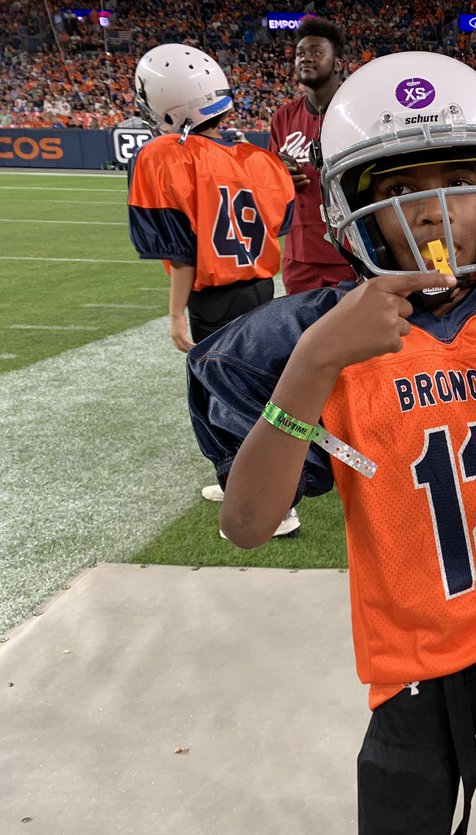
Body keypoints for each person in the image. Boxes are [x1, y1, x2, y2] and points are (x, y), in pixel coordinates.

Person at [186, 52, 476, 835]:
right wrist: (312, 363)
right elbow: (245, 522)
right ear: (354, 208)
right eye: (402, 188)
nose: (435, 212)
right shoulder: (317, 334)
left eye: (459, 181)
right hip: (412, 656)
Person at [127, 43, 299, 532]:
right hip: (261, 290)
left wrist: (176, 312)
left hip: (214, 297)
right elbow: (274, 225)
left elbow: (182, 254)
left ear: (169, 104)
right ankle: (243, 485)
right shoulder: (262, 161)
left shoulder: (164, 156)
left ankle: (274, 507)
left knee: (227, 399)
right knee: (257, 387)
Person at [269, 16, 358, 293]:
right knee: (303, 335)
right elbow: (269, 180)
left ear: (338, 64)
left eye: (317, 52)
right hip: (299, 257)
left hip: (350, 253)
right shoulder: (284, 117)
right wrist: (279, 176)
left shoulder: (356, 112)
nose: (306, 58)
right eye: (300, 53)